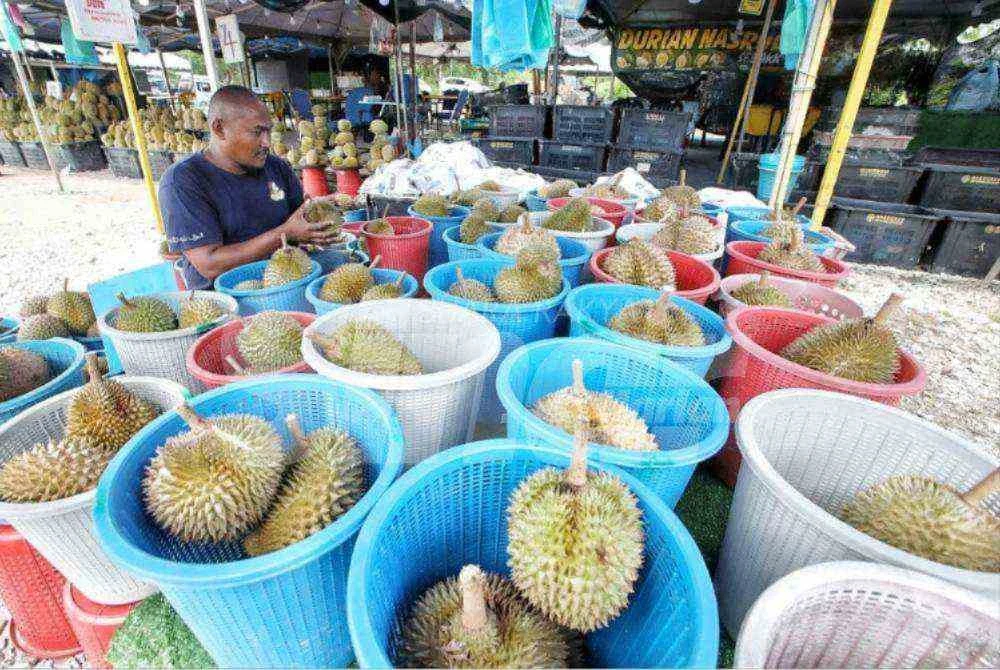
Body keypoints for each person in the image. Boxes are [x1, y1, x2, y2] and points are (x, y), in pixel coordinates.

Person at [159, 85, 339, 290]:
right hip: (227, 295)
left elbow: (300, 220)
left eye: (268, 131)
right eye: (257, 132)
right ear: (219, 128)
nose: (267, 142)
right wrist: (285, 234)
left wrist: (318, 216)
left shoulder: (276, 167)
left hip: (289, 279)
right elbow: (209, 264)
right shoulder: (183, 181)